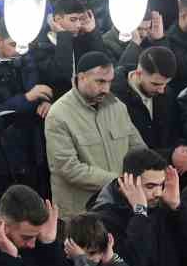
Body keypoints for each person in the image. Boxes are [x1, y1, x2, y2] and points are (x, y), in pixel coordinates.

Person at [44, 51, 147, 214]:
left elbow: (138, 150)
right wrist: (118, 182)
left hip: (117, 207)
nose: (106, 88)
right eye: (100, 81)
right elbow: (67, 168)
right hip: (81, 215)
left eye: (109, 82)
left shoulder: (117, 107)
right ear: (82, 77)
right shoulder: (59, 115)